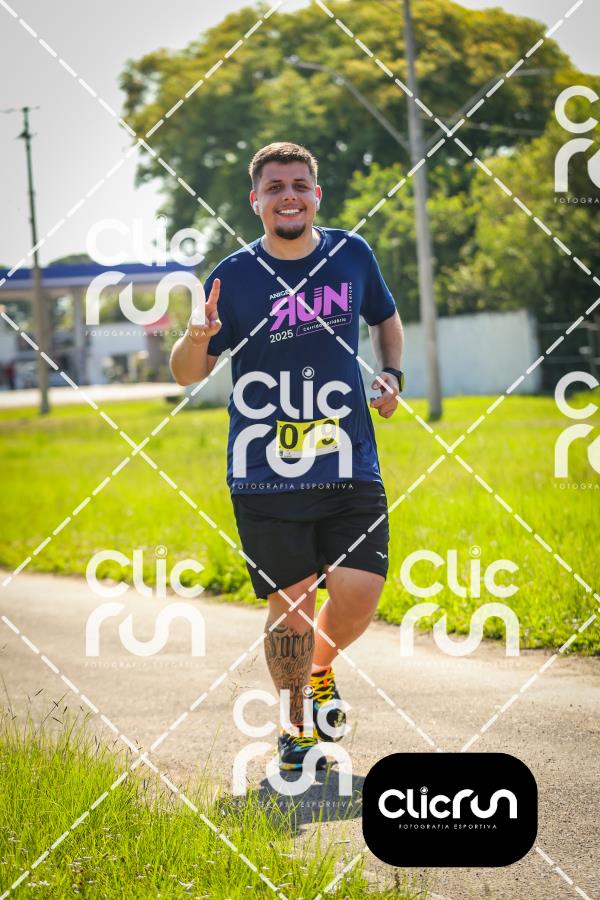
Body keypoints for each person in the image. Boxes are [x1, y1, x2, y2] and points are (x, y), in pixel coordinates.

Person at [170, 142, 404, 770]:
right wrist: (196, 336)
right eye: (275, 187)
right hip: (265, 468)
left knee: (360, 592)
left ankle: (319, 668)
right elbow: (188, 373)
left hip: (348, 458)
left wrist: (392, 374)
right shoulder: (234, 276)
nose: (289, 196)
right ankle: (294, 727)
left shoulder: (351, 254)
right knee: (292, 600)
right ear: (256, 201)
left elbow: (385, 318)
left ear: (316, 195)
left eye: (299, 184)